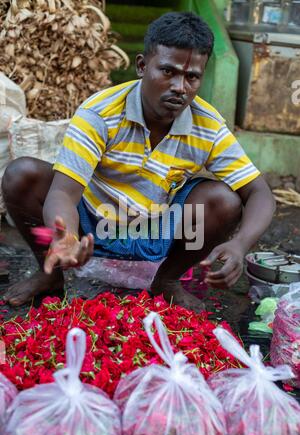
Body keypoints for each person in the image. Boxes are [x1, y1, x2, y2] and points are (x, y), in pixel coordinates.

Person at [2, 12, 275, 310]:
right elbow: (63, 193)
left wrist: (240, 244)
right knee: (22, 173)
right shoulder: (100, 113)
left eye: (192, 76)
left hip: (156, 230)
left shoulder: (207, 126)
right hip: (91, 223)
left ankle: (166, 281)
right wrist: (66, 236)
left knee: (225, 199)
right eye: (168, 72)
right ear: (142, 66)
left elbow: (259, 193)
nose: (180, 87)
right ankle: (50, 275)